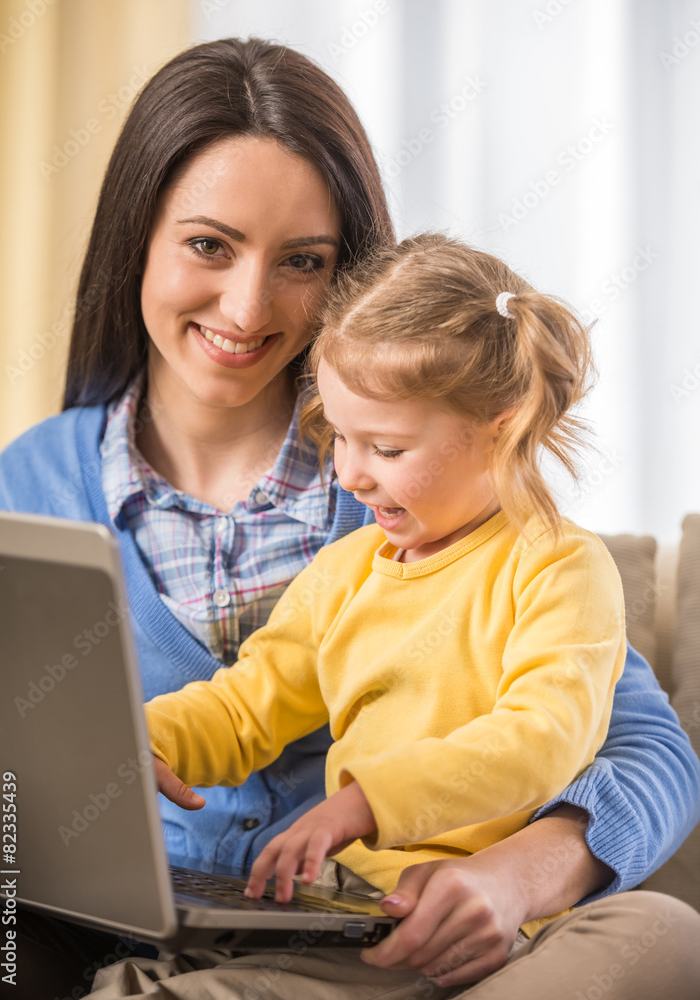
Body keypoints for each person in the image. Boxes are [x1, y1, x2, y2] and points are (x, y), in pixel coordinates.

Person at [0, 37, 698, 1000]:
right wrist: (127, 743)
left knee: (660, 933)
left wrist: (521, 868)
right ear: (137, 238)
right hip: (158, 926)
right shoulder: (37, 479)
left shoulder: (468, 523)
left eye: (302, 261)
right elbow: (241, 702)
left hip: (408, 918)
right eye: (207, 243)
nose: (246, 306)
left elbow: (636, 745)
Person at [144, 233, 628, 918]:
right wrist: (143, 737)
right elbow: (245, 706)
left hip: (475, 914)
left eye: (389, 447)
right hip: (343, 903)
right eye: (338, 434)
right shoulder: (344, 571)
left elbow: (543, 735)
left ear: (502, 429)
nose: (351, 473)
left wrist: (366, 802)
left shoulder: (555, 566)